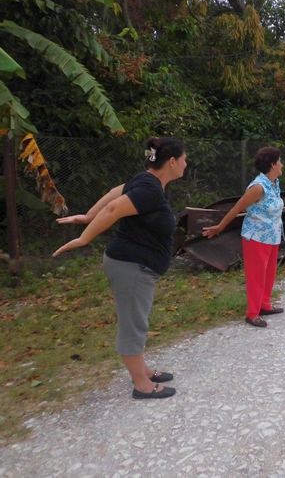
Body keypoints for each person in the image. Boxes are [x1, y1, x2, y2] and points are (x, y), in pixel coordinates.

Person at [53, 137, 188, 399]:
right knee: (133, 324)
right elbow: (115, 207)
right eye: (184, 159)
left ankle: (143, 370)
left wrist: (89, 216)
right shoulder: (149, 188)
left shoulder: (148, 181)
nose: (186, 163)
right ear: (172, 162)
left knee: (137, 319)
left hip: (134, 265)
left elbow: (117, 191)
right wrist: (85, 237)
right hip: (132, 267)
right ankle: (142, 385)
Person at [203, 147, 285, 327]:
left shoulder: (274, 182)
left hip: (272, 236)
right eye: (279, 161)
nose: (282, 164)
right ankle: (252, 313)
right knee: (256, 275)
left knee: (269, 273)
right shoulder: (258, 187)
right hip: (256, 237)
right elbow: (237, 207)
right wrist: (219, 227)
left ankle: (265, 305)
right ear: (272, 164)